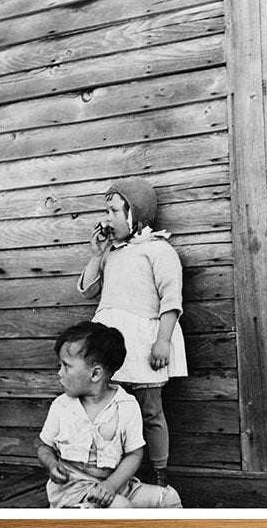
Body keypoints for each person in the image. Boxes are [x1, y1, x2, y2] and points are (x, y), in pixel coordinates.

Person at [77, 178, 187, 488]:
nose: (106, 218)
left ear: (134, 214)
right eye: (106, 210)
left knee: (150, 409)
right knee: (111, 409)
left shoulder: (157, 250)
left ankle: (160, 474)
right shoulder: (111, 252)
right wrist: (97, 254)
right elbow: (87, 290)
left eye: (113, 210)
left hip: (142, 343)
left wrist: (163, 340)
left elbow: (171, 299)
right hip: (111, 344)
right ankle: (116, 473)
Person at [37, 321, 181, 509]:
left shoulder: (126, 406)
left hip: (117, 486)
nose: (59, 373)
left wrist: (111, 485)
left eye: (66, 366)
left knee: (169, 498)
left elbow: (134, 454)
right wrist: (50, 464)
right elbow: (44, 446)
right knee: (121, 508)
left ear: (95, 374)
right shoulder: (61, 406)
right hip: (73, 492)